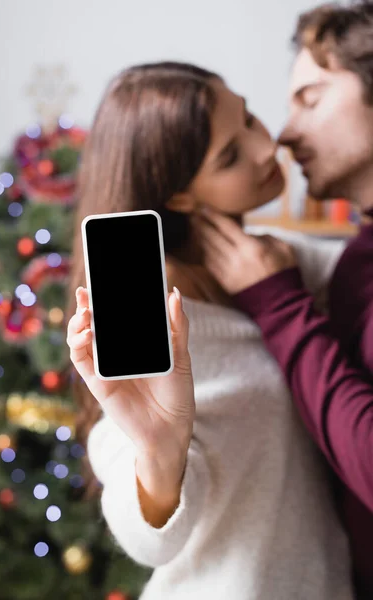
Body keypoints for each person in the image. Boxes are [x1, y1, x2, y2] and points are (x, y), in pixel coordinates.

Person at [66, 62, 354, 600]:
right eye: (230, 155)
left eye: (247, 118)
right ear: (179, 197)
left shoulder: (274, 265)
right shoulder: (155, 322)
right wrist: (159, 453)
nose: (266, 148)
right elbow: (147, 533)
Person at [191, 3, 373, 598]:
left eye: (310, 98)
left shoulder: (301, 286)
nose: (285, 135)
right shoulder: (351, 259)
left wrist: (278, 306)